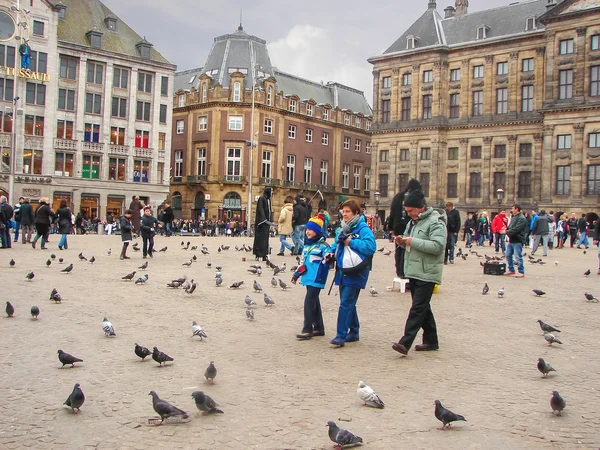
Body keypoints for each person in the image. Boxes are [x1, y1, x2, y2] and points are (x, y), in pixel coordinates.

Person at [391, 189, 446, 356]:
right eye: (406, 211)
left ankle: (405, 342)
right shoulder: (412, 223)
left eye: (410, 211)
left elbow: (438, 246)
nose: (408, 214)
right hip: (414, 270)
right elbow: (410, 243)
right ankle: (431, 340)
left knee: (417, 308)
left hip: (428, 271)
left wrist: (413, 241)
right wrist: (401, 241)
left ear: (420, 207)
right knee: (423, 307)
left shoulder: (436, 222)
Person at [327, 199, 376, 347]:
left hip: (357, 270)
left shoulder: (363, 229)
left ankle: (340, 335)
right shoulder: (342, 228)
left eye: (348, 211)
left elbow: (370, 247)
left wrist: (351, 242)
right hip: (343, 270)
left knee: (346, 303)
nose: (345, 214)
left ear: (356, 213)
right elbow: (336, 245)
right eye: (343, 211)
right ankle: (354, 331)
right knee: (348, 302)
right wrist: (330, 253)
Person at [291, 217, 332, 340]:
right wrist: (296, 275)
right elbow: (303, 263)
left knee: (309, 301)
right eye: (307, 229)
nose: (307, 232)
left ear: (317, 231)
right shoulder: (307, 246)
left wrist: (329, 258)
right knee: (314, 301)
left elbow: (328, 259)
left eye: (311, 230)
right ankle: (319, 328)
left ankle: (307, 329)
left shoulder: (323, 246)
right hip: (308, 278)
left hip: (317, 277)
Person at [388, 179, 422, 278]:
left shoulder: (398, 196)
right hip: (411, 227)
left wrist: (391, 228)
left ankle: (400, 272)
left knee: (399, 250)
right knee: (409, 251)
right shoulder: (416, 197)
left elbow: (392, 213)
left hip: (398, 227)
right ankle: (407, 274)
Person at [505, 204, 528, 278]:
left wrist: (506, 232)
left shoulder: (522, 218)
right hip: (512, 239)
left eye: (513, 208)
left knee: (518, 256)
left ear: (516, 209)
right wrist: (506, 230)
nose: (511, 210)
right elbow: (510, 227)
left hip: (518, 239)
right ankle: (511, 270)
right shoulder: (514, 217)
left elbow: (517, 229)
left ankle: (521, 272)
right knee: (508, 255)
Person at [252, 186, 274, 261]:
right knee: (260, 238)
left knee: (265, 239)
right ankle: (258, 253)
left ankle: (264, 253)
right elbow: (260, 209)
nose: (272, 192)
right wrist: (263, 219)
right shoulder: (262, 198)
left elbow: (270, 211)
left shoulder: (269, 200)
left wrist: (271, 220)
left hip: (266, 223)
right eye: (271, 191)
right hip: (261, 223)